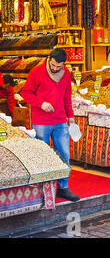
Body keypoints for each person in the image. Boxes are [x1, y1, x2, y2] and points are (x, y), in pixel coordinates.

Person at [21, 48, 79, 202]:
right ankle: (41, 188)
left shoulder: (66, 73)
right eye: (53, 65)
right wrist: (41, 103)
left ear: (64, 65)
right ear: (49, 59)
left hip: (60, 120)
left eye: (58, 67)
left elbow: (67, 96)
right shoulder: (36, 71)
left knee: (64, 154)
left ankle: (63, 187)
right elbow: (26, 93)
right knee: (42, 155)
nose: (55, 69)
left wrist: (70, 116)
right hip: (41, 121)